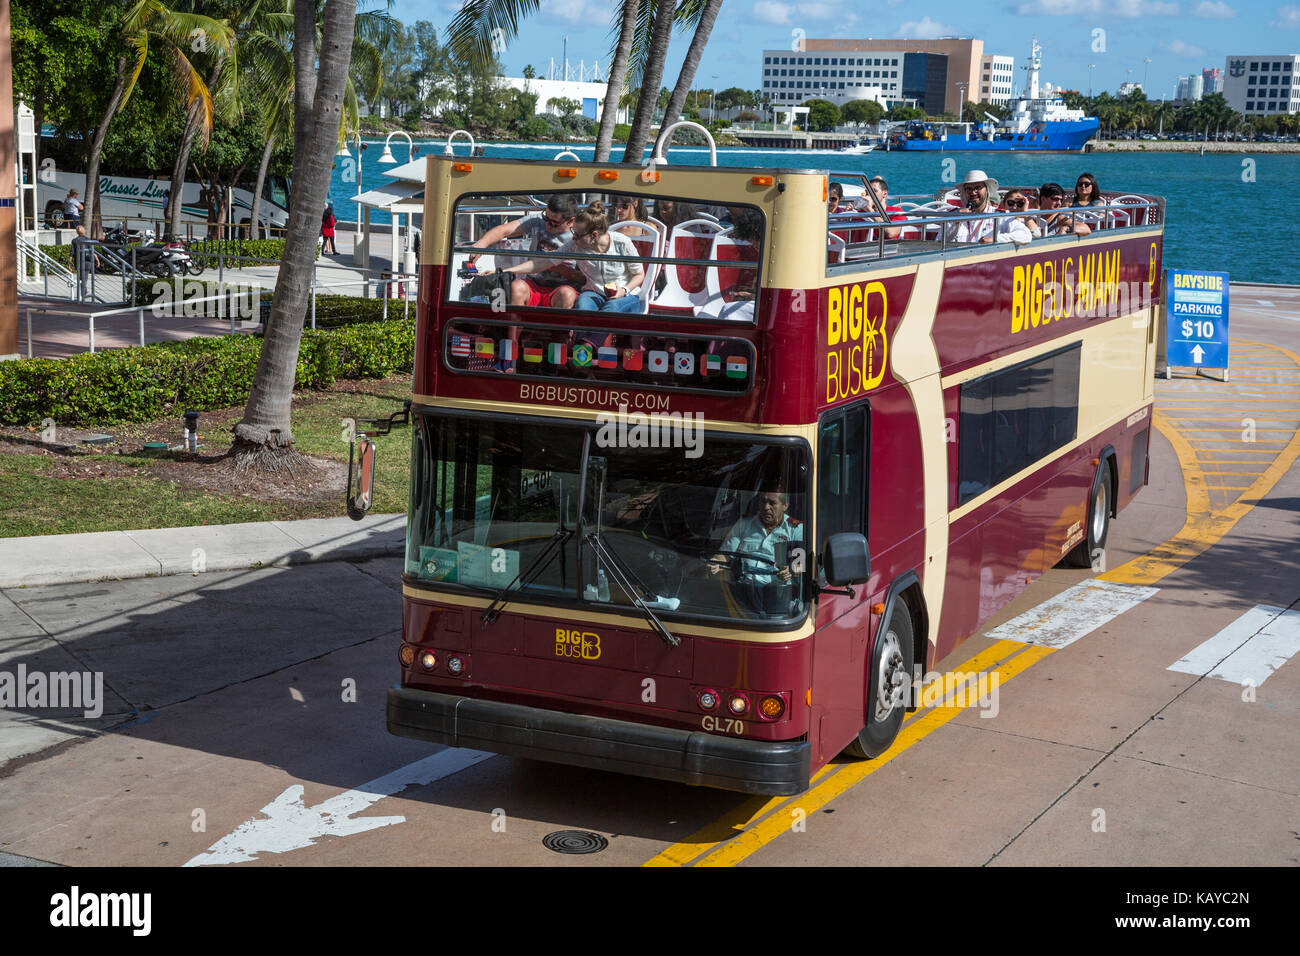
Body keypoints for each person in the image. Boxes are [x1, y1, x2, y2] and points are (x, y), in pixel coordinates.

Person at [512, 201, 644, 312]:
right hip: (594, 292)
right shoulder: (575, 245)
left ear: (594, 235)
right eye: (573, 233)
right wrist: (507, 271)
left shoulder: (622, 242)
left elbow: (639, 275)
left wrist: (624, 290)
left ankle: (585, 343)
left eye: (577, 235)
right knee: (582, 306)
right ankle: (585, 343)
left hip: (626, 294)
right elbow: (543, 262)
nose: (573, 238)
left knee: (611, 308)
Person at [467, 194, 582, 308]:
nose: (547, 225)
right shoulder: (537, 221)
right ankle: (512, 326)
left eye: (553, 223)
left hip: (563, 287)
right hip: (534, 283)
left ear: (571, 221)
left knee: (566, 294)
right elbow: (504, 230)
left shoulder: (579, 238)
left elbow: (582, 279)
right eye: (546, 218)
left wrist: (553, 266)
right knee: (516, 287)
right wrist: (481, 244)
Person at [708, 483, 803, 587]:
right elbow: (725, 555)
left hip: (779, 592)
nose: (766, 507)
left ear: (785, 506)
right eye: (763, 501)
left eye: (772, 503)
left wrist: (791, 570)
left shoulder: (795, 529)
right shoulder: (743, 525)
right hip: (744, 588)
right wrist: (716, 561)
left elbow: (801, 565)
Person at [945, 169, 1032, 245]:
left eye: (978, 187)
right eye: (969, 189)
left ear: (987, 191)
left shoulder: (999, 216)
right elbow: (939, 241)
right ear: (964, 192)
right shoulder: (954, 215)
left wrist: (995, 239)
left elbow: (1026, 235)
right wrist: (955, 223)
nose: (973, 192)